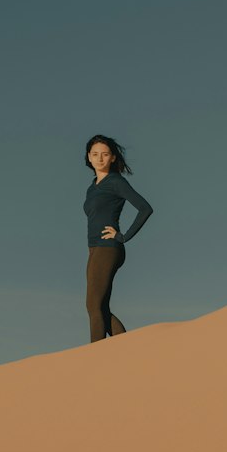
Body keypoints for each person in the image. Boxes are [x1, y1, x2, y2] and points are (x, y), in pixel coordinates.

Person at [83, 134, 154, 343]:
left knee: (93, 305)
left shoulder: (115, 182)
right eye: (95, 154)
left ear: (113, 158)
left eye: (105, 154)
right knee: (100, 306)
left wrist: (123, 236)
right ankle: (124, 349)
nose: (100, 158)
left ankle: (94, 356)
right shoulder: (93, 186)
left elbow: (145, 208)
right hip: (95, 249)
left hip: (108, 248)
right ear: (89, 157)